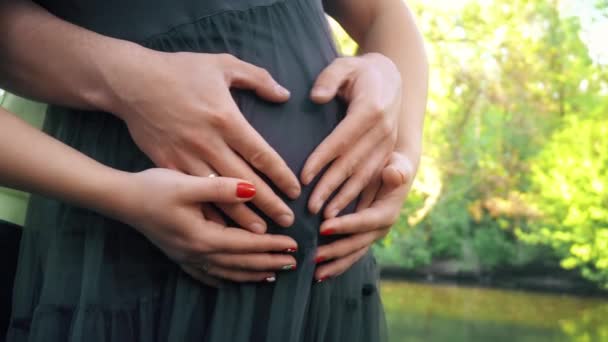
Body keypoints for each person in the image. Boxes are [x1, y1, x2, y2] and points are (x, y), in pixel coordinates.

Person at [0, 0, 428, 341]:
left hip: (324, 290)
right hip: (133, 262)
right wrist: (120, 192)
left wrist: (401, 146)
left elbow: (383, 13)